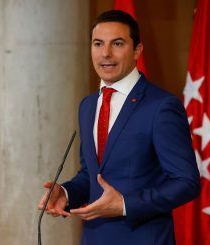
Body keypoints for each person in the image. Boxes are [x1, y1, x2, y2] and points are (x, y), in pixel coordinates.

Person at [38, 10, 200, 245]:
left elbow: (187, 182)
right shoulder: (88, 105)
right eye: (98, 44)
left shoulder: (161, 106)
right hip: (94, 238)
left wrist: (126, 204)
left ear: (137, 51)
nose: (106, 53)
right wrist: (66, 193)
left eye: (117, 43)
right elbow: (92, 175)